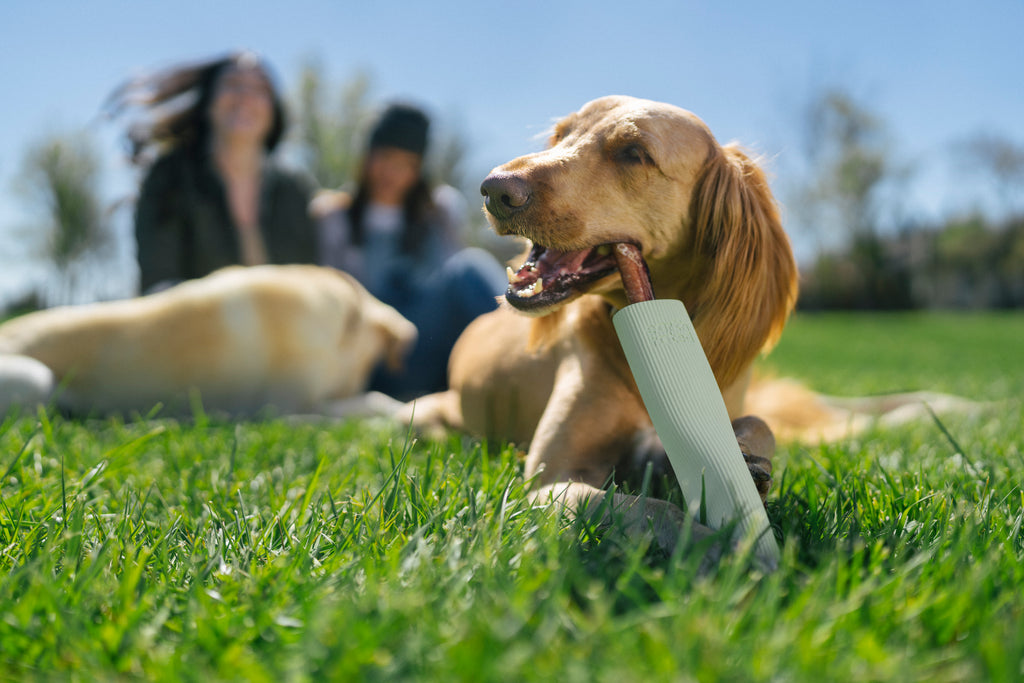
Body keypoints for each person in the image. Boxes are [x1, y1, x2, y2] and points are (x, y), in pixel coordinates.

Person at [316, 103, 506, 400]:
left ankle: (522, 358)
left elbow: (453, 285)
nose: (392, 173)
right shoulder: (333, 216)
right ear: (367, 156)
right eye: (385, 158)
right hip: (375, 352)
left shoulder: (440, 210)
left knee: (472, 266)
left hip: (433, 341)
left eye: (406, 164)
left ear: (418, 169)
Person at [106, 50, 319, 293]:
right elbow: (159, 284)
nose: (245, 97)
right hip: (194, 325)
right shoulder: (170, 177)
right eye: (233, 84)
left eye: (259, 89)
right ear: (209, 101)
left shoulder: (294, 189)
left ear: (274, 111)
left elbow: (308, 283)